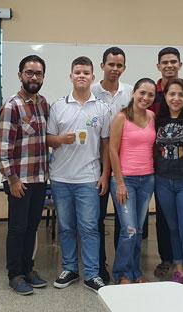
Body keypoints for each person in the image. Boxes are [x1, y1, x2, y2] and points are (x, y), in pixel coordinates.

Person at [47, 56, 111, 292]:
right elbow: (48, 139)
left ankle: (92, 274)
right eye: (77, 72)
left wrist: (105, 175)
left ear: (93, 77)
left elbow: (106, 143)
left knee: (89, 227)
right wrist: (60, 140)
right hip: (61, 177)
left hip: (89, 178)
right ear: (71, 76)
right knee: (66, 226)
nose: (81, 76)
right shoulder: (58, 106)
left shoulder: (102, 108)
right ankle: (70, 268)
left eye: (86, 72)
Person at [0, 55, 50, 295]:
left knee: (31, 227)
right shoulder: (12, 106)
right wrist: (13, 179)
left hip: (39, 178)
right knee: (17, 228)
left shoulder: (43, 104)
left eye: (38, 73)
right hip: (20, 181)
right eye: (29, 72)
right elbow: (3, 148)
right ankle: (15, 274)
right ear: (20, 75)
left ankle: (28, 269)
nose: (34, 77)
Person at [151, 47, 183, 279]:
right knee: (172, 227)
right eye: (171, 94)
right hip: (162, 180)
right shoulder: (158, 118)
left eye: (180, 95)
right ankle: (178, 267)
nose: (175, 98)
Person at [91, 47, 134, 283]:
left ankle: (123, 266)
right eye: (111, 64)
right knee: (96, 218)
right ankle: (98, 266)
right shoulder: (91, 91)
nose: (115, 69)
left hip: (123, 167)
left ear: (124, 68)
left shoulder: (130, 93)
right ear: (102, 66)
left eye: (119, 65)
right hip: (95, 166)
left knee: (123, 219)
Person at [108, 78, 156, 284]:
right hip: (125, 179)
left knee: (138, 229)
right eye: (142, 93)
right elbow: (112, 150)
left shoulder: (152, 116)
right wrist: (119, 183)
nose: (145, 98)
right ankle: (121, 273)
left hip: (147, 179)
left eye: (150, 95)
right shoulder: (121, 117)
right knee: (129, 230)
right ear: (133, 93)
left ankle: (135, 272)